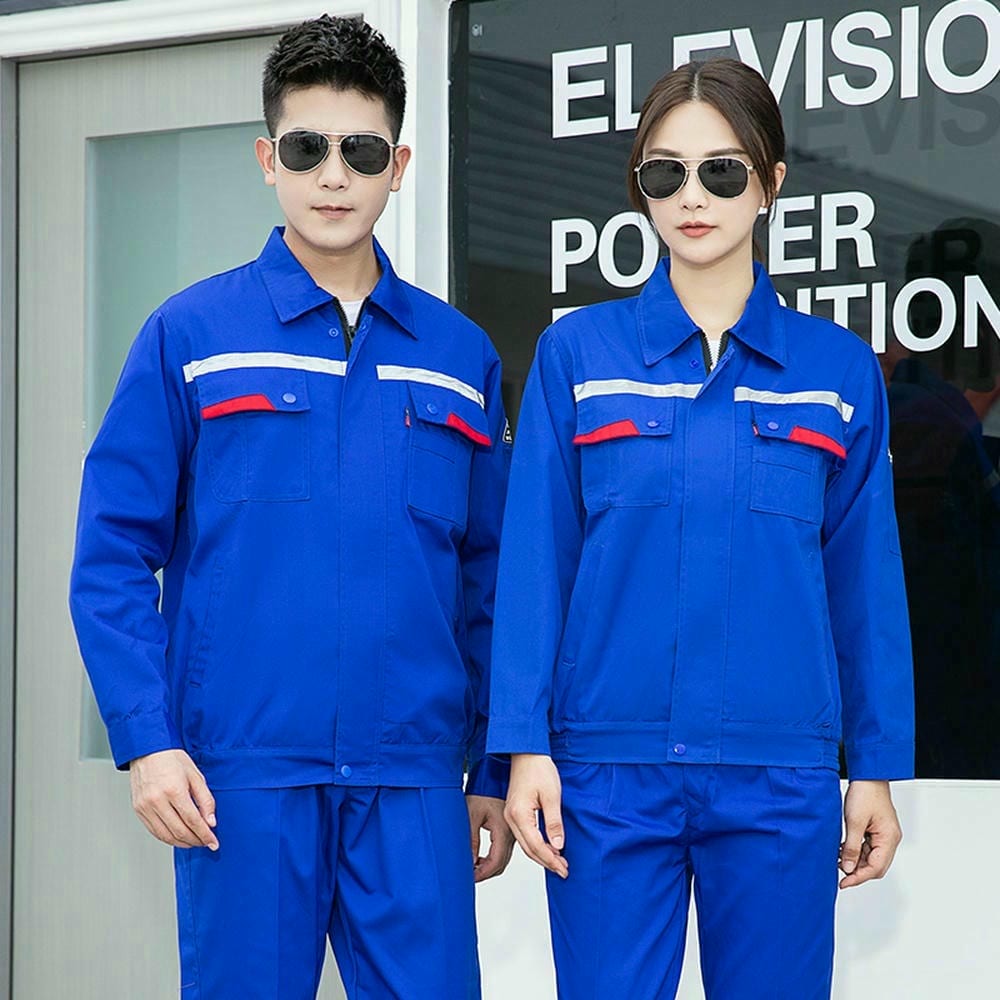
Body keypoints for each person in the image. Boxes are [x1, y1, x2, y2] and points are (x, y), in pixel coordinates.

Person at [69, 15, 512, 999]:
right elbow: (110, 554)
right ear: (268, 160)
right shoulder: (191, 336)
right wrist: (148, 738)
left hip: (412, 781)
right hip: (242, 778)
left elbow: (491, 579)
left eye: (362, 152)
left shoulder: (458, 357)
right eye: (307, 149)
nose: (333, 177)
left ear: (399, 167)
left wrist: (491, 763)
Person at [487, 58, 914, 999]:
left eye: (722, 171)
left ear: (770, 183)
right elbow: (536, 564)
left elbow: (865, 584)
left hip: (779, 774)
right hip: (606, 773)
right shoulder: (576, 356)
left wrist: (876, 769)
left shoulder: (838, 372)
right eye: (665, 172)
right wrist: (523, 745)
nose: (692, 197)